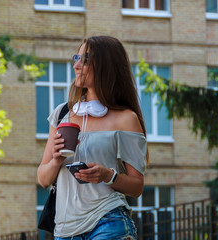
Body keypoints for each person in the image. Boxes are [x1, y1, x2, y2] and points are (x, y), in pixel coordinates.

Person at [37, 36, 148, 240]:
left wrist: (108, 176)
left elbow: (137, 186)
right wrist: (56, 161)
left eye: (85, 59)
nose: (77, 66)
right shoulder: (62, 114)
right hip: (64, 231)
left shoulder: (126, 119)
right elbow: (43, 178)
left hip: (108, 221)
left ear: (106, 66)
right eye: (77, 58)